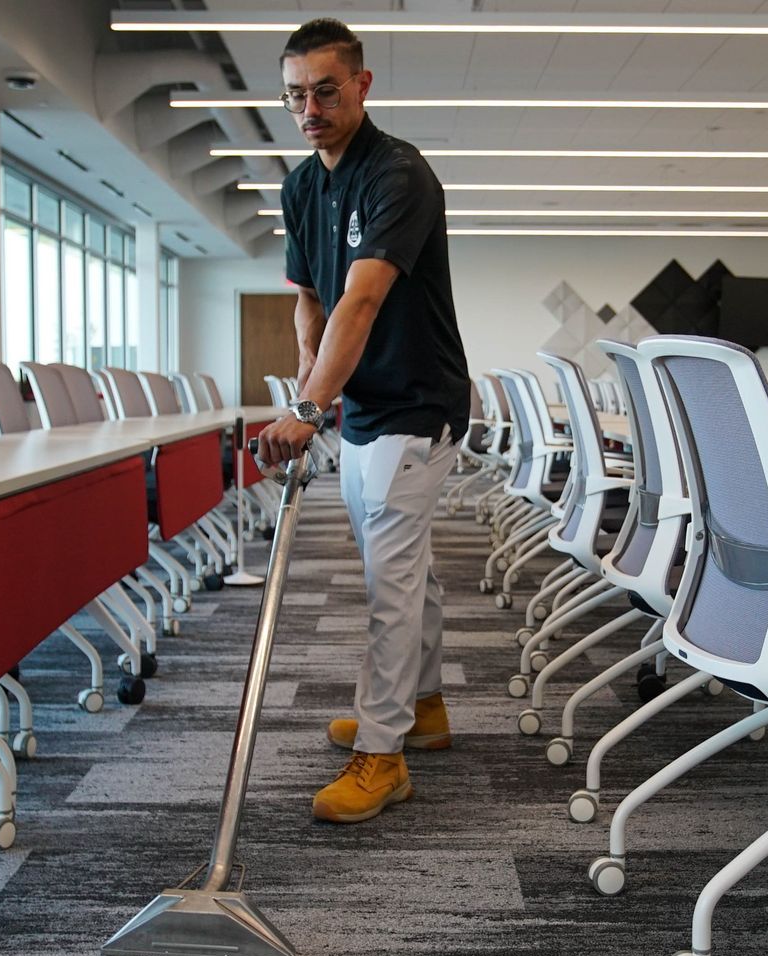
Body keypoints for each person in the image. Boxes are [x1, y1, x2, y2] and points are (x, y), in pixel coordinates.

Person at [254, 17, 471, 824]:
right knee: (407, 566)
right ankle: (427, 709)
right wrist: (311, 392)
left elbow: (364, 296)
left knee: (389, 582)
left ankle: (383, 753)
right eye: (294, 96)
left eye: (325, 90)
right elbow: (311, 298)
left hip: (418, 405)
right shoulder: (301, 184)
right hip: (365, 410)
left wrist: (311, 408)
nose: (309, 108)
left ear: (363, 85)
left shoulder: (399, 176)